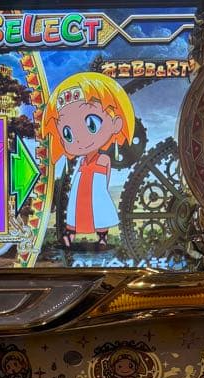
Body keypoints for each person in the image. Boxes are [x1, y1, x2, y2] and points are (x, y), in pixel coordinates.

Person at [42, 72, 135, 250]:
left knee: (100, 214)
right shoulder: (81, 161)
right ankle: (69, 238)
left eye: (92, 124)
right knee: (75, 213)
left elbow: (105, 178)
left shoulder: (104, 158)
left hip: (96, 191)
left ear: (116, 123)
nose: (79, 139)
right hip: (81, 191)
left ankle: (102, 239)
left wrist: (99, 191)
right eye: (67, 134)